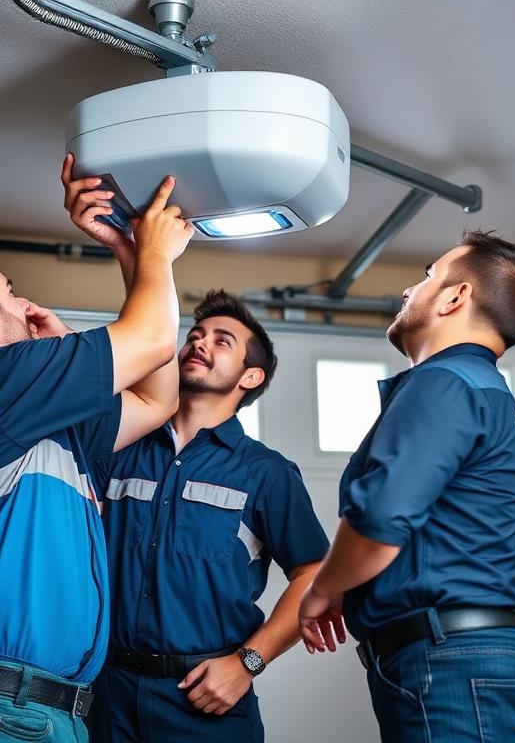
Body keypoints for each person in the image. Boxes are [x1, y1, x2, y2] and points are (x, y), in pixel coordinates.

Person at [0, 175, 192, 743]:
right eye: (11, 292)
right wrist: (155, 252)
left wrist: (130, 256)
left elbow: (158, 400)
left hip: (26, 712)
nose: (26, 304)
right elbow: (152, 339)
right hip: (2, 713)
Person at [63, 155, 331, 742]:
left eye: (224, 340)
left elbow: (313, 571)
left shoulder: (265, 474)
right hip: (104, 693)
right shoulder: (121, 443)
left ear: (251, 377)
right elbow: (141, 338)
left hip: (206, 702)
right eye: (197, 333)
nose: (200, 343)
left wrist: (249, 663)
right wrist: (128, 251)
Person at [298, 231, 515, 742]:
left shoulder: (445, 381)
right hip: (481, 659)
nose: (409, 291)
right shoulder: (489, 393)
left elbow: (380, 519)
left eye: (428, 276)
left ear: (456, 297)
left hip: (451, 663)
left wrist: (325, 587)